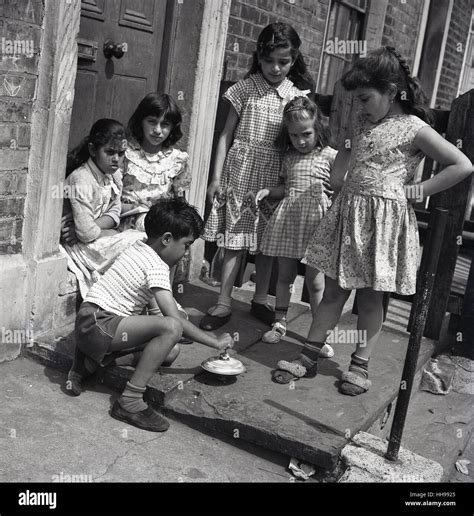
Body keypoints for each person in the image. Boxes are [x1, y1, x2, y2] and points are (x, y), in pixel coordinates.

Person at [272, 46, 474, 394]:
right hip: (349, 214)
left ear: (392, 92)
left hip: (383, 223)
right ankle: (308, 356)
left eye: (365, 98)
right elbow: (344, 163)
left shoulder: (415, 128)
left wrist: (421, 188)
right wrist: (340, 170)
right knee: (333, 290)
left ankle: (360, 364)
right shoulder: (362, 121)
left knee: (370, 298)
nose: (360, 106)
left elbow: (462, 164)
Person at [67, 197, 233, 432]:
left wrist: (179, 328)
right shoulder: (155, 265)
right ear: (166, 239)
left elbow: (157, 309)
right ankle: (130, 401)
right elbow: (172, 320)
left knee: (169, 350)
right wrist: (214, 342)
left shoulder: (140, 248)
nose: (186, 253)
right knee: (172, 329)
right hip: (98, 323)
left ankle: (91, 361)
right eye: (186, 245)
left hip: (95, 325)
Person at [201, 22, 315, 331]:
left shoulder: (296, 95)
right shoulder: (244, 89)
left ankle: (261, 299)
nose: (275, 68)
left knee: (266, 244)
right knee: (235, 240)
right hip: (240, 173)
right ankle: (224, 300)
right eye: (269, 60)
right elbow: (225, 135)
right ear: (259, 57)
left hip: (274, 178)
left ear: (294, 60)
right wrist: (215, 178)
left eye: (283, 61)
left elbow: (301, 139)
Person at [256, 97, 336, 360]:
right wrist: (269, 191)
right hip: (288, 221)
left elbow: (338, 188)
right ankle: (279, 321)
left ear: (318, 128)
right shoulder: (289, 158)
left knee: (315, 282)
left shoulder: (329, 155)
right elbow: (286, 189)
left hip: (317, 225)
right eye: (293, 135)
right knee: (284, 276)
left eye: (306, 134)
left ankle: (318, 333)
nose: (300, 140)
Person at [60, 119, 145, 297]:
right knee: (139, 245)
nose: (116, 159)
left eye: (121, 153)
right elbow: (86, 234)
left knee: (146, 240)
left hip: (92, 237)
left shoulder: (114, 176)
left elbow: (114, 211)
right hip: (77, 246)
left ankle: (146, 304)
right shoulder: (81, 179)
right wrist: (112, 233)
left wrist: (94, 226)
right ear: (92, 150)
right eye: (110, 152)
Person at [120, 92, 190, 232]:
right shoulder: (125, 154)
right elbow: (108, 196)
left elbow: (180, 202)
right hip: (126, 220)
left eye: (165, 125)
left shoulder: (177, 161)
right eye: (152, 122)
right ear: (141, 121)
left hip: (161, 225)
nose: (157, 130)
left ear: (172, 128)